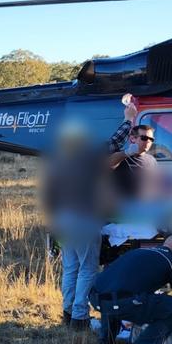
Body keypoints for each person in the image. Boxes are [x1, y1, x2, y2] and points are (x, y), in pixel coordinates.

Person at [44, 94, 137, 329]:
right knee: (87, 268)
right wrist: (129, 119)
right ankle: (79, 316)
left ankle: (67, 311)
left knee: (71, 267)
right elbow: (115, 142)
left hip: (63, 219)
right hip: (84, 219)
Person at [90, 235, 172, 344]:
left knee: (115, 296)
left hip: (95, 298)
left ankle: (106, 342)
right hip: (120, 303)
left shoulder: (138, 251)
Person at [108, 120, 157, 201]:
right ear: (132, 139)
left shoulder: (152, 160)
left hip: (145, 207)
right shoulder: (122, 156)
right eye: (144, 138)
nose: (148, 141)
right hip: (124, 207)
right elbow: (108, 164)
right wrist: (127, 152)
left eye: (151, 139)